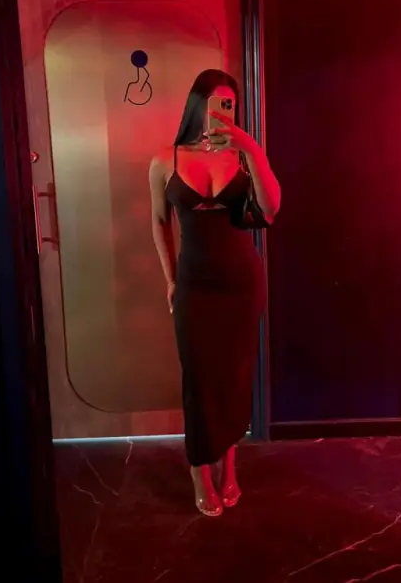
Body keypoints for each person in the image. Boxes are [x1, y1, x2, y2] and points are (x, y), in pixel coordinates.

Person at [149, 69, 281, 517]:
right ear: (196, 106)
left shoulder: (243, 158)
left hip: (242, 284)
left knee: (235, 376)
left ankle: (229, 466)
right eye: (215, 103)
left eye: (230, 105)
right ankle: (199, 471)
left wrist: (252, 149)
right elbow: (159, 221)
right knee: (199, 378)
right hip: (195, 286)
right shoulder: (165, 159)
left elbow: (271, 209)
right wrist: (170, 280)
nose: (223, 112)